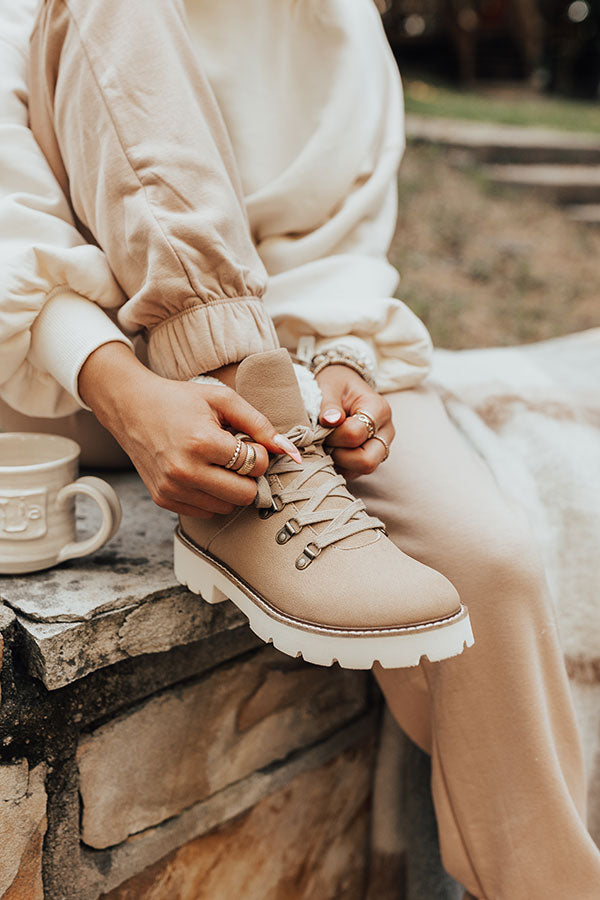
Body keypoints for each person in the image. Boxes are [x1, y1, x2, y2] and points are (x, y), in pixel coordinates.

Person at [1, 0, 599, 896]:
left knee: (495, 563)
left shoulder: (336, 19)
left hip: (286, 382)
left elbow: (343, 242)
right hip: (63, 372)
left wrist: (344, 360)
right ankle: (239, 471)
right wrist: (129, 396)